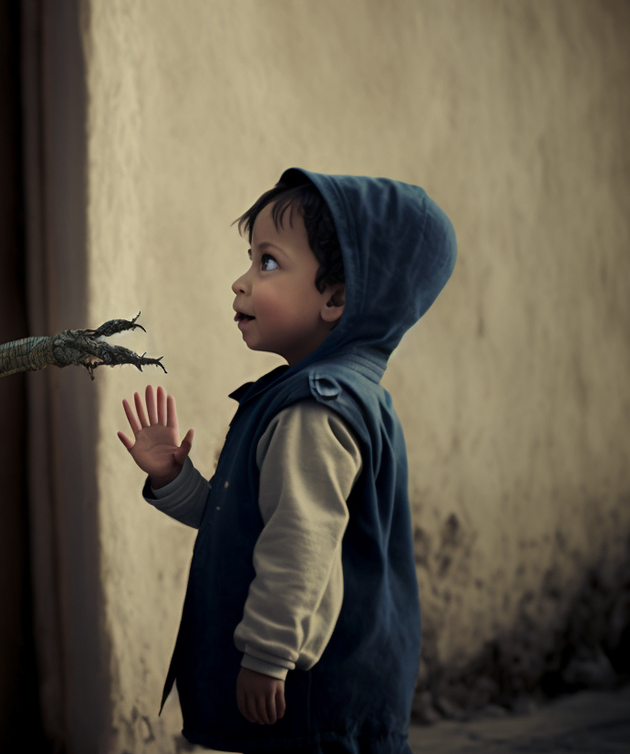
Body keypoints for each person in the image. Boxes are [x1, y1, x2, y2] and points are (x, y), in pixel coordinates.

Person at [118, 168, 456, 753]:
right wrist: (174, 478)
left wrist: (269, 654)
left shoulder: (314, 411)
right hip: (325, 689)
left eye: (267, 263)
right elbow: (255, 521)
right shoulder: (330, 393)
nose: (240, 283)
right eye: (250, 261)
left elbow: (299, 540)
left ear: (338, 297)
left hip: (307, 693)